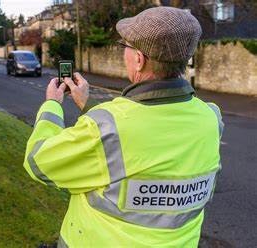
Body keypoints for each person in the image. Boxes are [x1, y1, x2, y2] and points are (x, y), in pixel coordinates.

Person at [23, 7, 224, 247]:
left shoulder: (106, 126)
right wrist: (89, 106)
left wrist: (52, 105)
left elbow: (38, 162)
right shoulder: (211, 118)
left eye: (124, 47)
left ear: (139, 59)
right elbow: (142, 143)